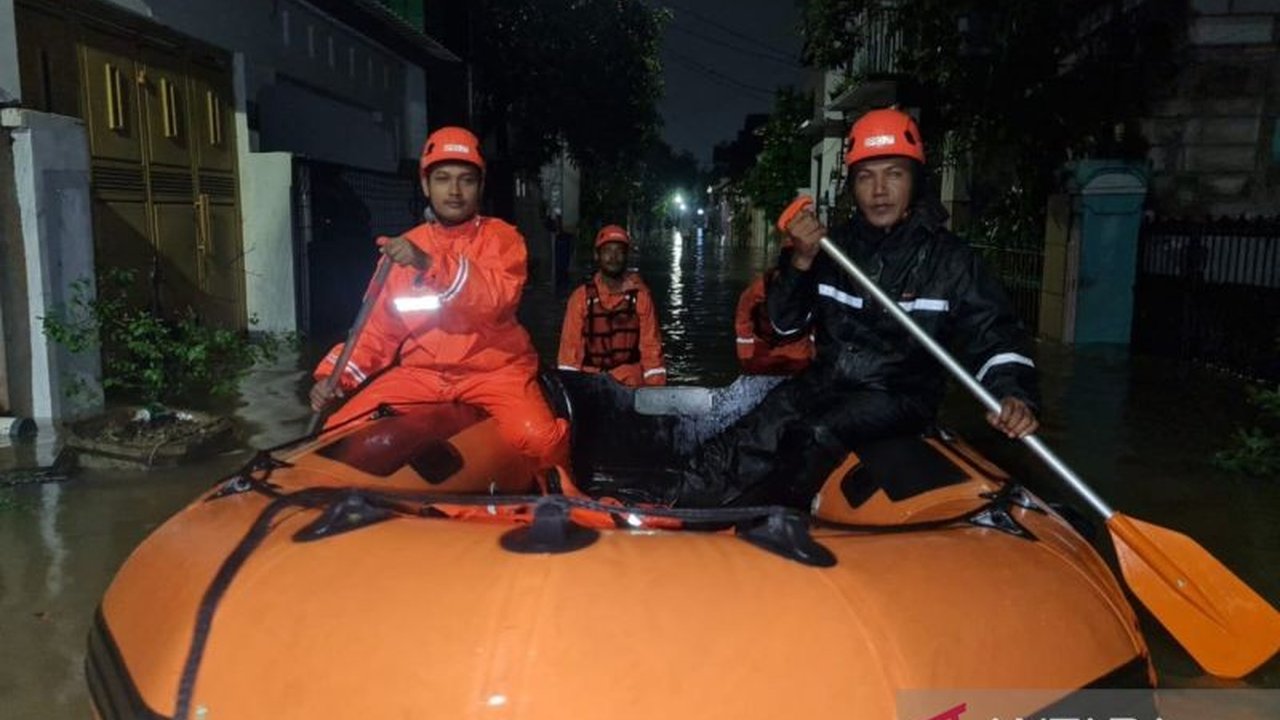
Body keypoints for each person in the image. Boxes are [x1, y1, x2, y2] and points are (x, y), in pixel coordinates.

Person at [669, 107, 1040, 508]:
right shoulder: (832, 249)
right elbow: (783, 325)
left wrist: (1012, 393)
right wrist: (800, 261)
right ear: (852, 185)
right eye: (866, 176)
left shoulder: (952, 261)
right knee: (763, 422)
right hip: (826, 382)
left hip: (898, 397)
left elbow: (995, 336)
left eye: (893, 174)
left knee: (815, 433)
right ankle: (675, 502)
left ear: (915, 180)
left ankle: (766, 519)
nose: (879, 190)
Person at [309, 125, 569, 470]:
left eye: (466, 180)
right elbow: (377, 329)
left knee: (540, 439)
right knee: (337, 430)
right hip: (422, 375)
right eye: (443, 179)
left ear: (480, 186)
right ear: (425, 185)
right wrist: (334, 377)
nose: (455, 191)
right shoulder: (403, 249)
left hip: (494, 370)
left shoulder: (503, 239)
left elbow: (493, 299)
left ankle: (562, 490)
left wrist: (430, 264)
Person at [557, 225, 668, 388]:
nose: (613, 257)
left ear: (626, 256)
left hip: (630, 384)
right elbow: (569, 350)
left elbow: (651, 348)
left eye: (619, 251)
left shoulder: (641, 298)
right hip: (591, 383)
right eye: (607, 251)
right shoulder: (580, 298)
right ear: (597, 255)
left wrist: (655, 392)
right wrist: (570, 388)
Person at [735, 262, 815, 376]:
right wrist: (745, 351)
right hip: (764, 349)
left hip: (797, 350)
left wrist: (813, 351)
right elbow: (744, 313)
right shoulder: (762, 286)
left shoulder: (814, 287)